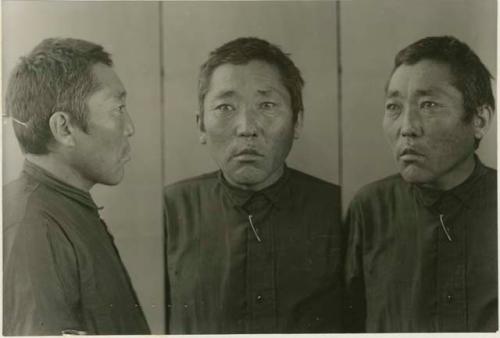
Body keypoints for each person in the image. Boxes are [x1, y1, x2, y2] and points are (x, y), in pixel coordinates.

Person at [164, 37, 342, 334]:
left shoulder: (340, 210)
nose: (247, 128)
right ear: (200, 126)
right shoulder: (169, 211)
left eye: (267, 105)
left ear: (297, 122)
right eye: (225, 107)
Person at [344, 36, 497, 332]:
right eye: (393, 107)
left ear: (479, 119)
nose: (407, 128)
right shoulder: (370, 208)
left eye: (428, 105)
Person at [3, 38, 150, 335]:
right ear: (64, 128)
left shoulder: (57, 208)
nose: (130, 127)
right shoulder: (34, 227)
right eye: (118, 108)